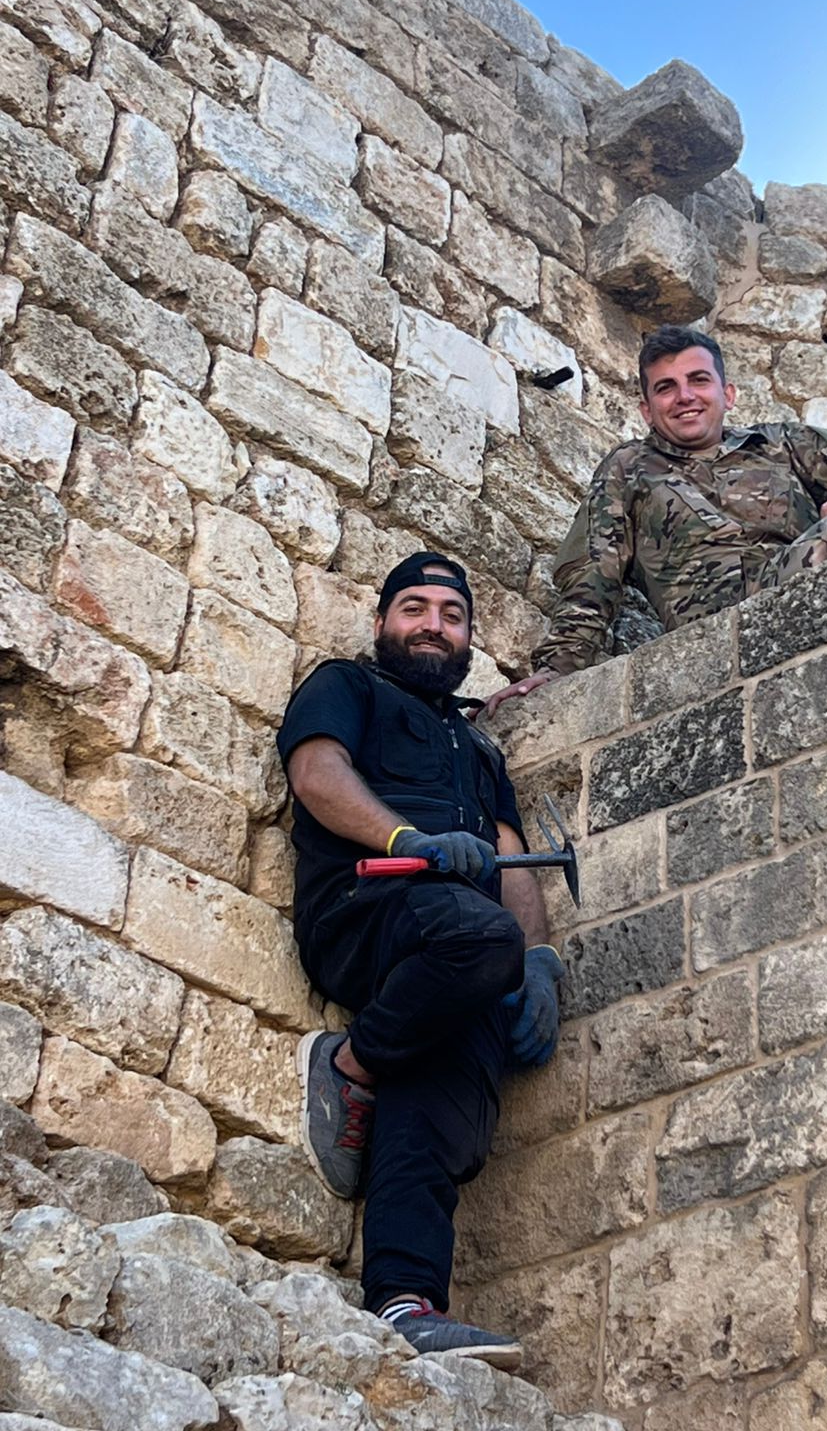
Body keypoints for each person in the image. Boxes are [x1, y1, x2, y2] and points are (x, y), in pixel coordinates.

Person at [278, 551, 562, 1371]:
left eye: (451, 613)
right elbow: (316, 772)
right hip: (367, 907)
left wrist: (538, 962)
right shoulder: (347, 685)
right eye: (414, 608)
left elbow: (511, 853)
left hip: (457, 943)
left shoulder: (478, 749)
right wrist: (408, 840)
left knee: (447, 1105)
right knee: (478, 939)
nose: (433, 624)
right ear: (381, 624)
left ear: (469, 636)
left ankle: (405, 1305)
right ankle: (354, 1066)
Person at [486, 324, 827, 710]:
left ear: (729, 393)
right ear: (646, 409)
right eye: (666, 387)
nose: (684, 396)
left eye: (699, 380)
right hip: (720, 615)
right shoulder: (629, 469)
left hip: (799, 566)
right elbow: (593, 575)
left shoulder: (777, 443)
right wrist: (557, 667)